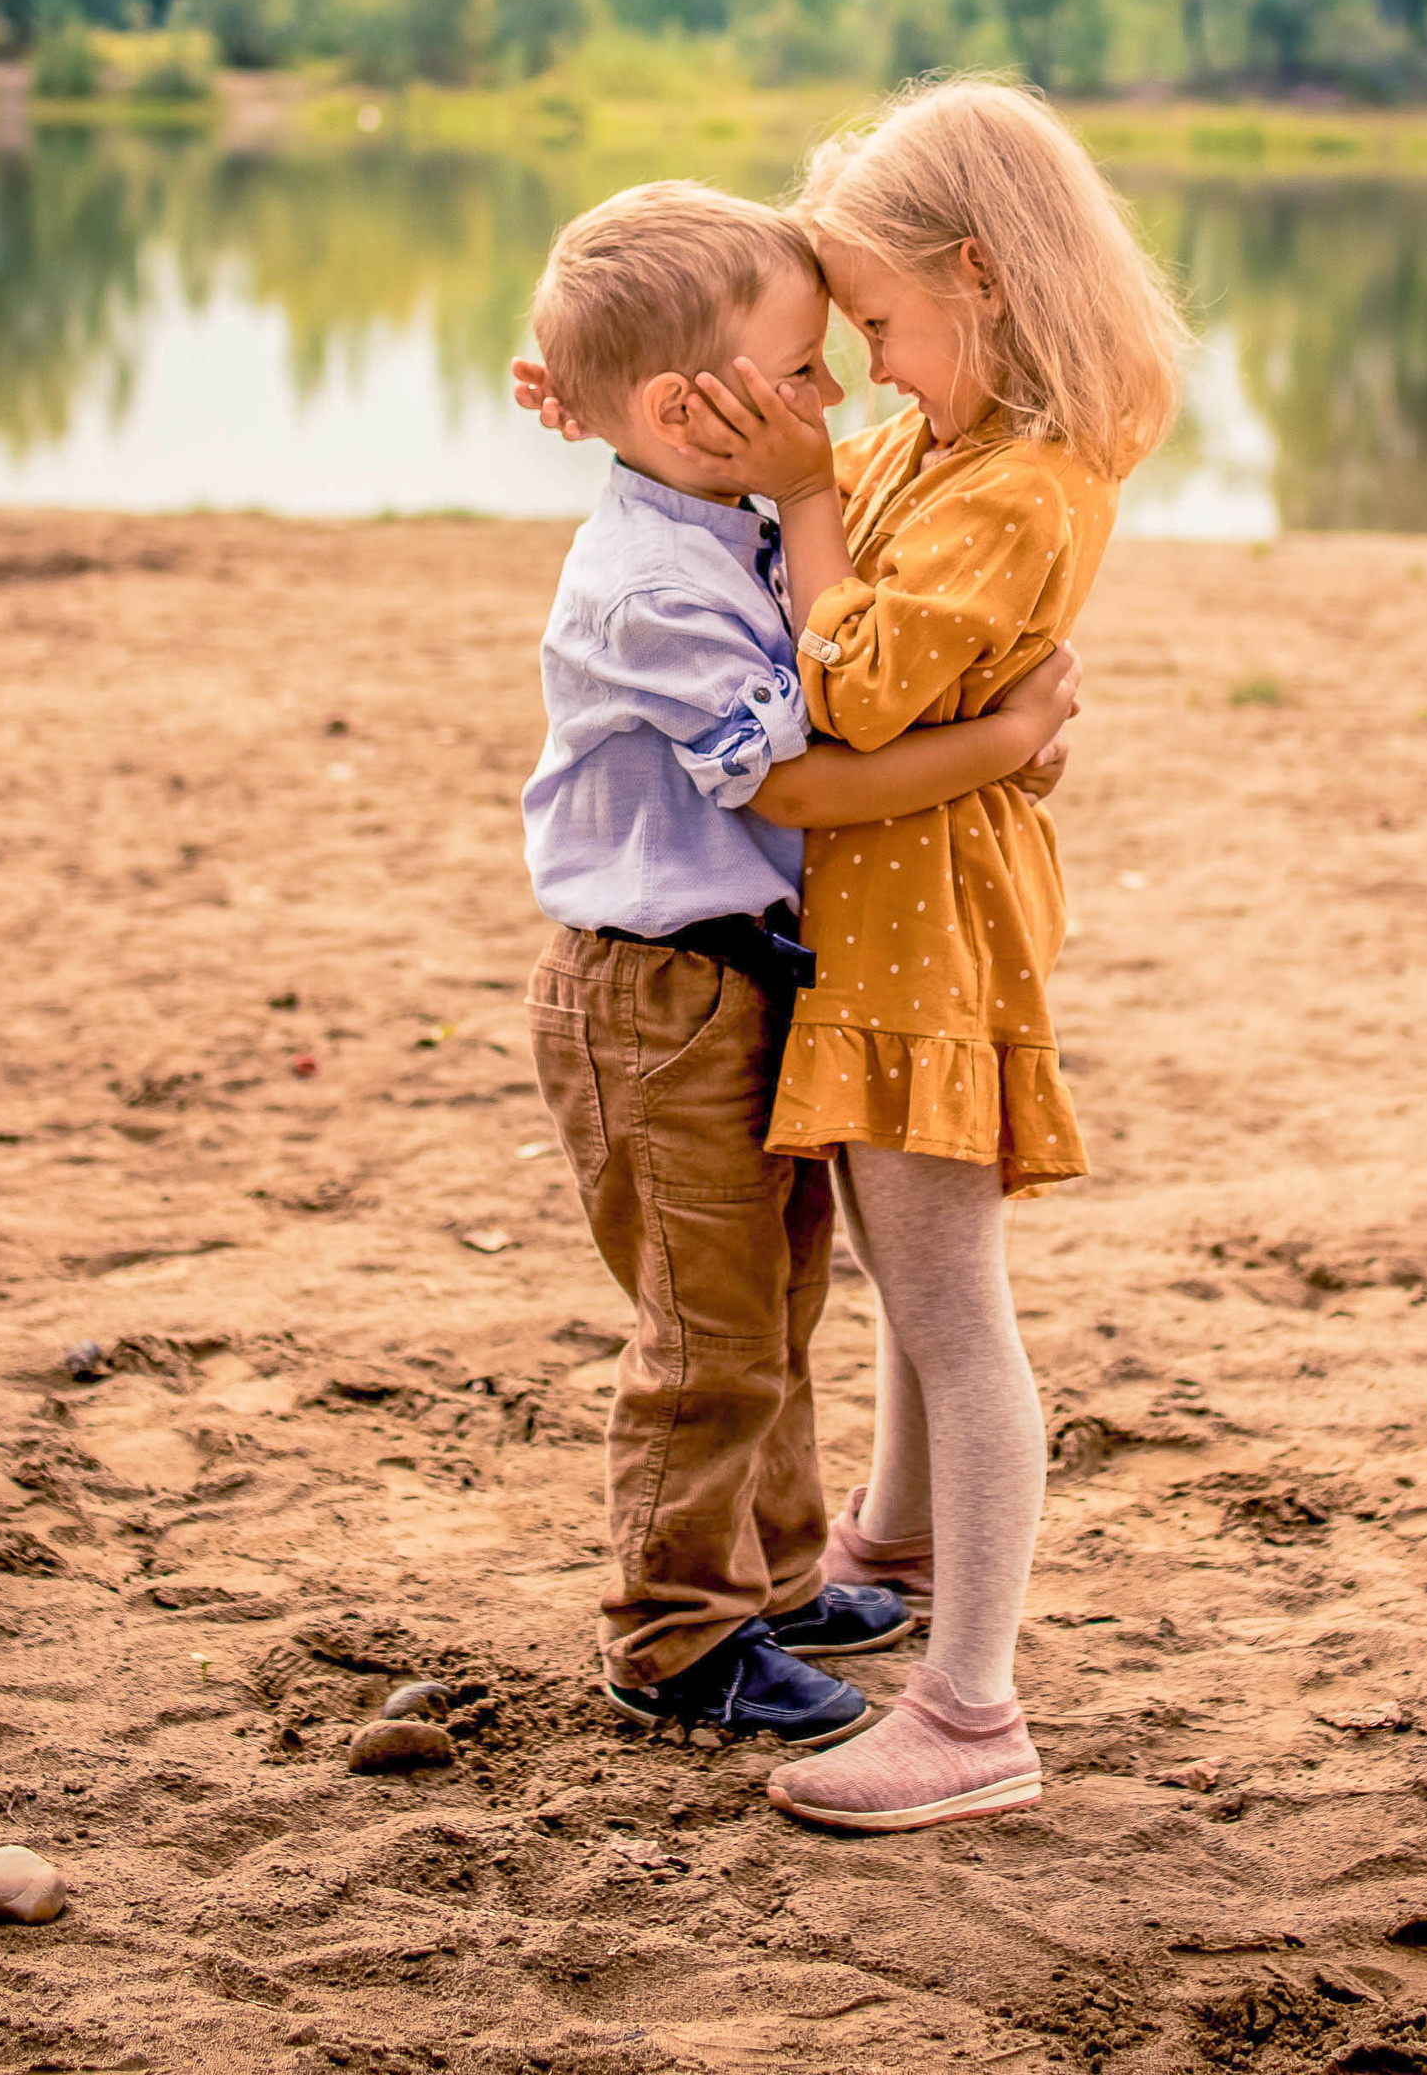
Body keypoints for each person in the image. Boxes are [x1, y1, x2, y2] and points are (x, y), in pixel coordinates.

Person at [661, 79, 1184, 1831]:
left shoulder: (1021, 483)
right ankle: (888, 1534)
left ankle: (972, 1716)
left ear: (980, 275)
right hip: (888, 911)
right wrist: (608, 412)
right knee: (898, 1253)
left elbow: (854, 677)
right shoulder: (937, 445)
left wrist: (812, 499)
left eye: (880, 323)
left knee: (952, 1306)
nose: (864, 367)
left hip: (929, 928)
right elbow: (766, 461)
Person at [516, 180, 1084, 1755]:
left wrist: (578, 383)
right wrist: (1007, 738)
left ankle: (764, 1574)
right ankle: (677, 1637)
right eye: (803, 367)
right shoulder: (650, 590)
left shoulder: (725, 514)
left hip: (741, 977)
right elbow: (800, 781)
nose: (830, 399)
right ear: (689, 408)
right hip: (656, 995)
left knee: (766, 1299)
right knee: (704, 1334)